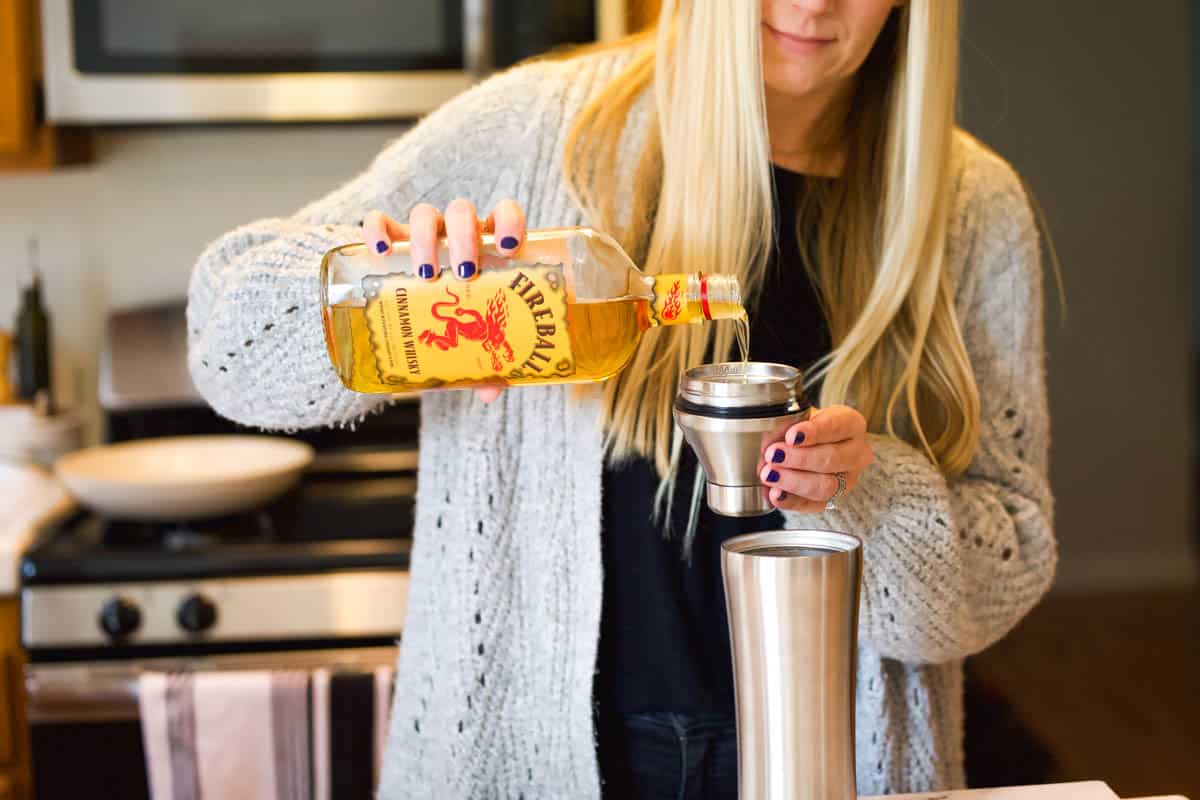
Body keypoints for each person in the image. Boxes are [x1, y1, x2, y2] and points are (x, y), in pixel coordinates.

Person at [187, 0, 1056, 796]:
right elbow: (226, 345)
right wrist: (380, 290)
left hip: (840, 767)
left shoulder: (970, 208)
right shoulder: (531, 132)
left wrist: (870, 488)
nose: (813, 4)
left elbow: (1003, 566)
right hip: (534, 763)